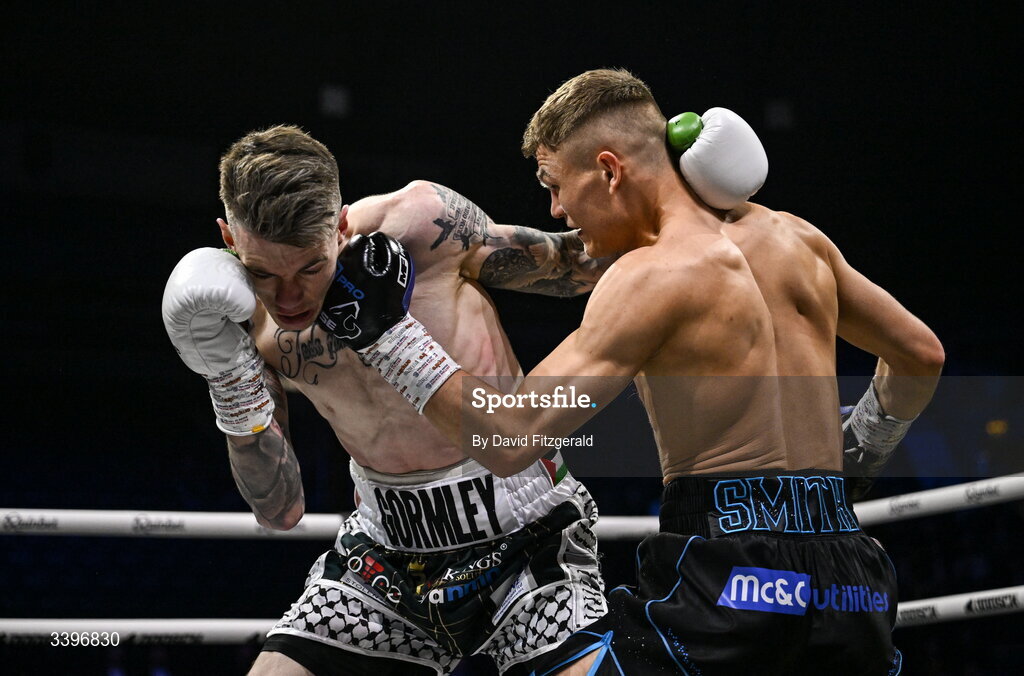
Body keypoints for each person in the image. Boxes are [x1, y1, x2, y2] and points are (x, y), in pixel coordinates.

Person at [324, 69, 944, 675]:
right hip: (850, 581)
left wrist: (391, 338)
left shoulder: (652, 274)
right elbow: (921, 355)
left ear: (609, 170)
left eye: (555, 183)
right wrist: (855, 461)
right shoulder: (798, 240)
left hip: (737, 581)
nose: (557, 209)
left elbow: (512, 437)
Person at [161, 122, 760, 675]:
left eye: (310, 268)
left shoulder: (423, 227)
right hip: (384, 554)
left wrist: (679, 195)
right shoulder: (238, 325)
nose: (288, 298)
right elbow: (280, 511)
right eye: (265, 275)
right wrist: (231, 382)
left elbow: (576, 263)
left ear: (341, 225)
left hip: (526, 534)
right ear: (229, 239)